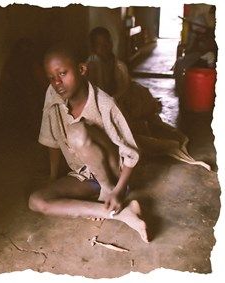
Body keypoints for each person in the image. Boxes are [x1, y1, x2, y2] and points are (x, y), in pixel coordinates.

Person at [28, 45, 149, 243]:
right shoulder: (52, 94)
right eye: (51, 77)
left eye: (63, 74)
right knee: (36, 200)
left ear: (82, 70)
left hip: (112, 174)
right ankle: (120, 213)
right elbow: (52, 141)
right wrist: (52, 177)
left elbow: (131, 154)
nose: (57, 83)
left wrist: (118, 190)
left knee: (77, 132)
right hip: (83, 175)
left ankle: (109, 194)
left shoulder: (104, 104)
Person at [86, 27, 211, 171]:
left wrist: (119, 101)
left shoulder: (119, 66)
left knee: (139, 111)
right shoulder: (91, 65)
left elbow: (124, 89)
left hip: (120, 101)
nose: (104, 48)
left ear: (111, 43)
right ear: (93, 48)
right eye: (99, 45)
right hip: (104, 105)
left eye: (106, 44)